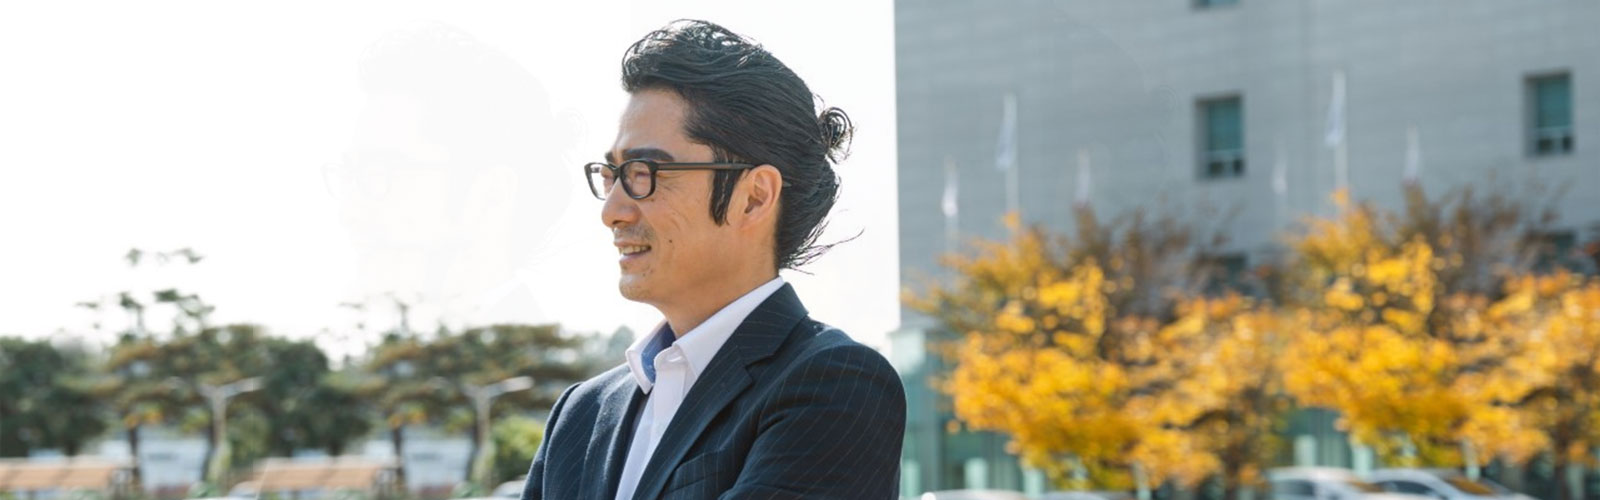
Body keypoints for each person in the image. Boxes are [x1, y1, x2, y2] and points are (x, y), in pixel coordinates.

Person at [520, 19, 906, 500]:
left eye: (644, 172)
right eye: (612, 175)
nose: (612, 211)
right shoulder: (582, 413)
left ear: (753, 197)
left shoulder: (835, 384)